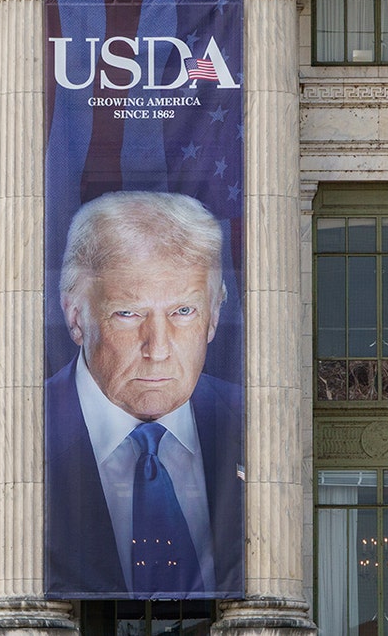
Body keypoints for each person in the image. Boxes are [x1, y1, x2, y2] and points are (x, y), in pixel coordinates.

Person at [44, 190, 243, 599]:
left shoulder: (251, 420)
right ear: (75, 316)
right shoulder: (30, 423)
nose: (158, 348)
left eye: (183, 312)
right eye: (128, 313)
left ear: (214, 316)